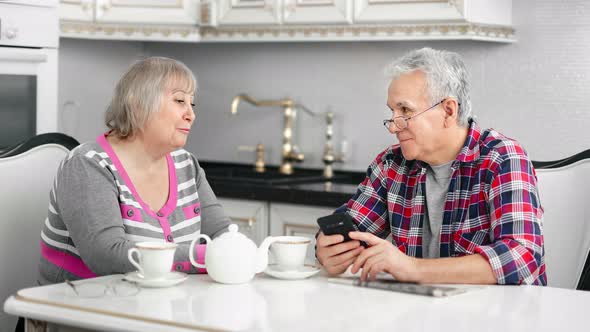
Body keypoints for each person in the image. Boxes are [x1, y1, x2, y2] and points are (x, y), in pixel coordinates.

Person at [316, 48, 546, 285]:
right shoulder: (391, 165)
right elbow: (353, 228)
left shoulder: (502, 158)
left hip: (495, 316)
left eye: (405, 110)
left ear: (448, 110)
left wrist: (412, 268)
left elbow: (521, 257)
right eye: (392, 112)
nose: (394, 126)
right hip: (421, 313)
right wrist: (329, 248)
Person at [38, 57, 230, 285]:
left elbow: (223, 234)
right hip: (81, 309)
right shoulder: (87, 164)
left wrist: (238, 251)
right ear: (137, 104)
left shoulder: (186, 165)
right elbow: (107, 256)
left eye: (192, 104)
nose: (191, 114)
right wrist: (212, 256)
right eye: (179, 100)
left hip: (161, 307)